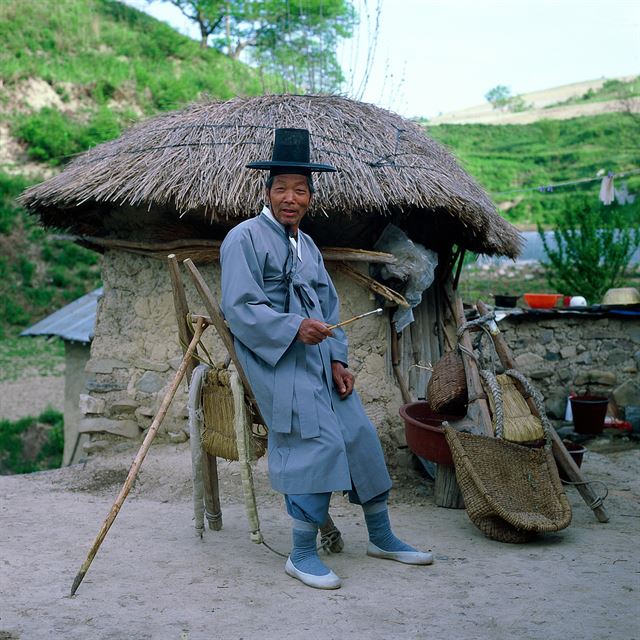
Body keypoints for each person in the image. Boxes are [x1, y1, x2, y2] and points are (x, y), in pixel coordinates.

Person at [220, 128, 433, 590]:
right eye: (281, 189)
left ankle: (381, 535)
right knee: (315, 441)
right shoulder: (243, 239)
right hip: (275, 358)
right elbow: (240, 308)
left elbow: (328, 307)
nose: (290, 198)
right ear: (267, 192)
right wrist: (294, 327)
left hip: (318, 356)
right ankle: (300, 554)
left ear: (311, 196)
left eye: (300, 190)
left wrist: (338, 360)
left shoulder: (308, 245)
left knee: (357, 433)